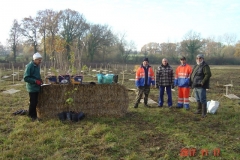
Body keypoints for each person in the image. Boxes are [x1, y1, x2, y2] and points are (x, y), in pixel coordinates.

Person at [190, 54, 211, 118]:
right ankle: (199, 110)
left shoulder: (205, 66)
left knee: (203, 99)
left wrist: (202, 82)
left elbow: (208, 74)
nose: (198, 59)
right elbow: (193, 74)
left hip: (201, 85)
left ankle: (204, 113)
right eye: (197, 58)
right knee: (198, 99)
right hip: (195, 85)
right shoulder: (196, 65)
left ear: (203, 59)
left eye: (200, 58)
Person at [23, 52, 43, 121]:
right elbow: (26, 78)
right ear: (35, 59)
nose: (40, 61)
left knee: (35, 101)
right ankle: (32, 116)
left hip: (36, 87)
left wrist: (40, 80)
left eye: (41, 60)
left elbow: (36, 75)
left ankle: (33, 115)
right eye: (39, 60)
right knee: (33, 102)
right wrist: (35, 81)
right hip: (32, 87)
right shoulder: (30, 66)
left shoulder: (37, 66)